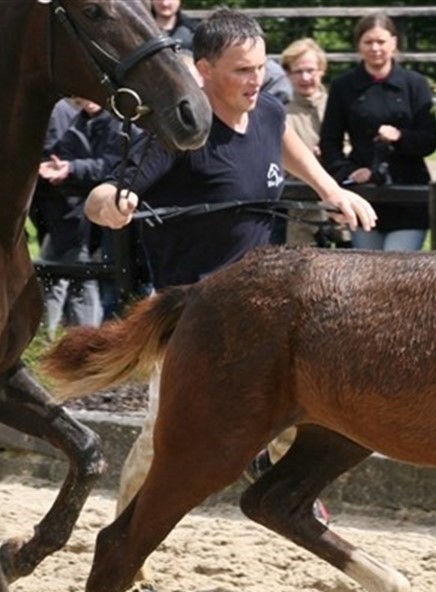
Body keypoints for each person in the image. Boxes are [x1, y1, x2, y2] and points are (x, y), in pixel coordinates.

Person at [84, 9, 377, 523]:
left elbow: (281, 136)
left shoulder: (267, 111)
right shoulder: (178, 131)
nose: (256, 79)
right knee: (162, 441)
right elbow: (105, 194)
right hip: (190, 319)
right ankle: (123, 537)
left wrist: (330, 189)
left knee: (303, 410)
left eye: (260, 67)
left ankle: (287, 493)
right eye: (242, 70)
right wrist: (110, 203)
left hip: (261, 310)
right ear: (203, 71)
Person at [320, 13, 436, 251]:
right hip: (364, 193)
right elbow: (329, 141)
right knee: (368, 268)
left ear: (394, 42)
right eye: (368, 42)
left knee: (397, 264)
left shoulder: (415, 83)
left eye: (381, 41)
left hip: (409, 190)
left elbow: (429, 139)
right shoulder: (343, 86)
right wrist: (349, 171)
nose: (375, 48)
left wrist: (401, 137)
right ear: (359, 45)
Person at [30, 97, 125, 335]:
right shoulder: (77, 123)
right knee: (70, 274)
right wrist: (63, 168)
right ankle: (57, 336)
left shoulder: (115, 123)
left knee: (89, 278)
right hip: (73, 213)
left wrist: (71, 169)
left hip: (101, 213)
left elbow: (113, 166)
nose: (87, 101)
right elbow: (68, 158)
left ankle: (79, 338)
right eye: (81, 98)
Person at [282, 37, 330, 247]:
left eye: (310, 70)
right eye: (298, 71)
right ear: (288, 74)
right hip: (301, 214)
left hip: (341, 212)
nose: (305, 77)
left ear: (322, 70)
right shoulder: (283, 115)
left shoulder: (338, 106)